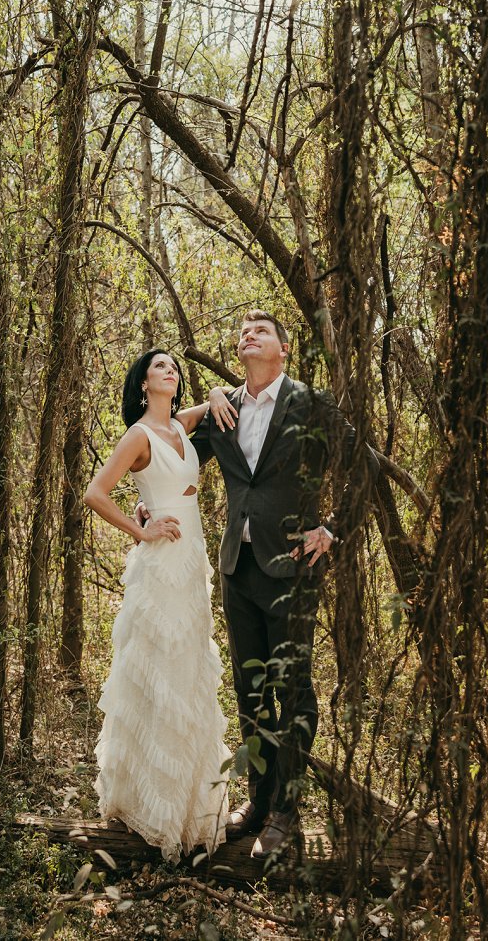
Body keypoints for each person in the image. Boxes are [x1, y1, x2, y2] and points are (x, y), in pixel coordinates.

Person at [188, 310, 356, 861]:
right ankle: (258, 802)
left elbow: (362, 465)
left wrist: (331, 527)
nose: (249, 336)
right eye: (243, 332)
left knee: (294, 689)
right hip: (237, 567)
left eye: (261, 331)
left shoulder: (312, 402)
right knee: (250, 689)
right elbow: (168, 445)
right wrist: (152, 500)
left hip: (293, 568)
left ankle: (287, 810)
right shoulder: (224, 408)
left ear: (283, 349)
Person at [84, 349, 230, 860]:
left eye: (174, 367)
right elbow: (95, 493)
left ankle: (189, 810)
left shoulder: (181, 426)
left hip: (191, 562)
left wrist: (215, 391)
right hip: (160, 561)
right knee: (157, 673)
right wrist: (140, 529)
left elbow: (217, 403)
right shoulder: (139, 435)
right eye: (160, 367)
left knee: (188, 672)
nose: (171, 371)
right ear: (144, 383)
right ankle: (150, 809)